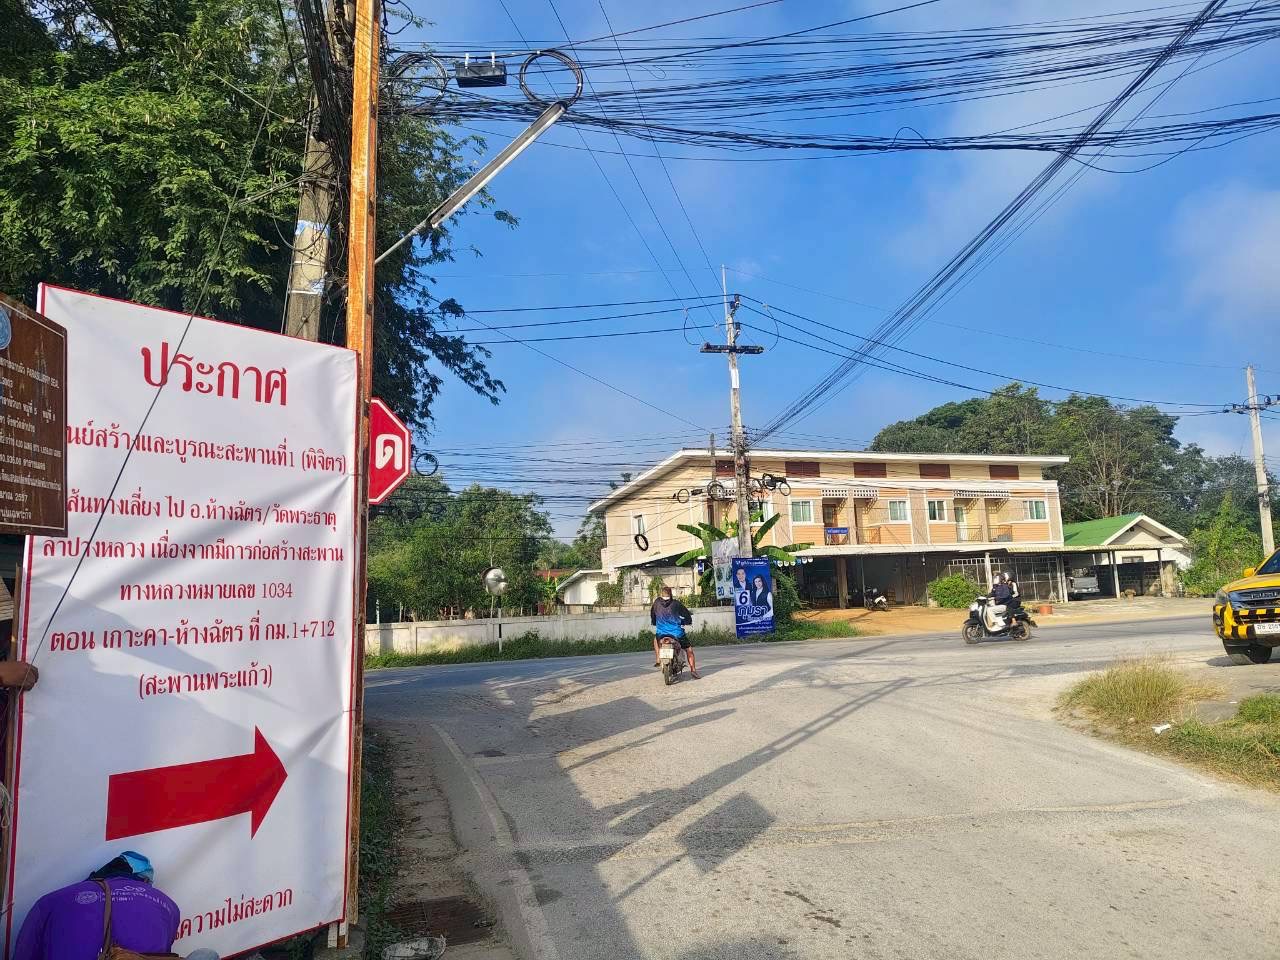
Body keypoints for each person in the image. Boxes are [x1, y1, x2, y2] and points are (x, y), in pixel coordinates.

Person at [14, 851, 188, 960]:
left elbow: (25, 952)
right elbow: (162, 951)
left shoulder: (51, 901)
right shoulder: (168, 904)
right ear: (144, 881)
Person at [650, 586, 699, 679]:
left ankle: (658, 658)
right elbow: (686, 614)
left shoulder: (656, 602)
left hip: (661, 633)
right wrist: (687, 621)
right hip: (677, 633)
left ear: (661, 594)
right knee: (689, 650)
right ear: (671, 594)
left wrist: (654, 622)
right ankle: (693, 670)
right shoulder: (676, 604)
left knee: (655, 640)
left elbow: (653, 614)